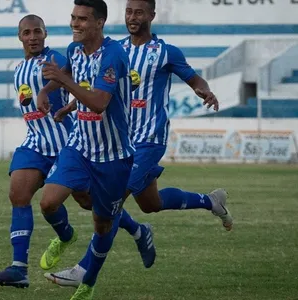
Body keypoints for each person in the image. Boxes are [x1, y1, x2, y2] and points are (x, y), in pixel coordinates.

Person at [44, 0, 234, 288]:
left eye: (139, 12)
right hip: (117, 137)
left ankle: (85, 271)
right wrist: (70, 107)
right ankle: (209, 201)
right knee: (150, 203)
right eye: (129, 12)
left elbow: (193, 78)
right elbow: (95, 88)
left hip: (147, 139)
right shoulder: (113, 49)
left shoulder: (165, 53)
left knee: (115, 202)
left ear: (151, 16)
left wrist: (204, 91)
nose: (132, 17)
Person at [35, 0, 144, 298]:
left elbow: (98, 103)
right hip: (80, 146)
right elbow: (68, 75)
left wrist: (62, 80)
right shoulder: (74, 50)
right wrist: (46, 92)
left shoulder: (113, 55)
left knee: (103, 221)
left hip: (113, 156)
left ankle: (88, 280)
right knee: (48, 202)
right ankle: (66, 238)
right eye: (73, 17)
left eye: (82, 19)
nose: (75, 23)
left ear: (100, 22)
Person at [0, 14, 76, 289]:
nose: (33, 36)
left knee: (87, 201)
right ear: (20, 37)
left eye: (38, 31)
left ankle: (131, 229)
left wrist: (47, 90)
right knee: (18, 194)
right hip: (35, 141)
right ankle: (18, 269)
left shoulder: (56, 59)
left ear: (45, 33)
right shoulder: (18, 70)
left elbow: (65, 76)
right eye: (27, 32)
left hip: (66, 142)